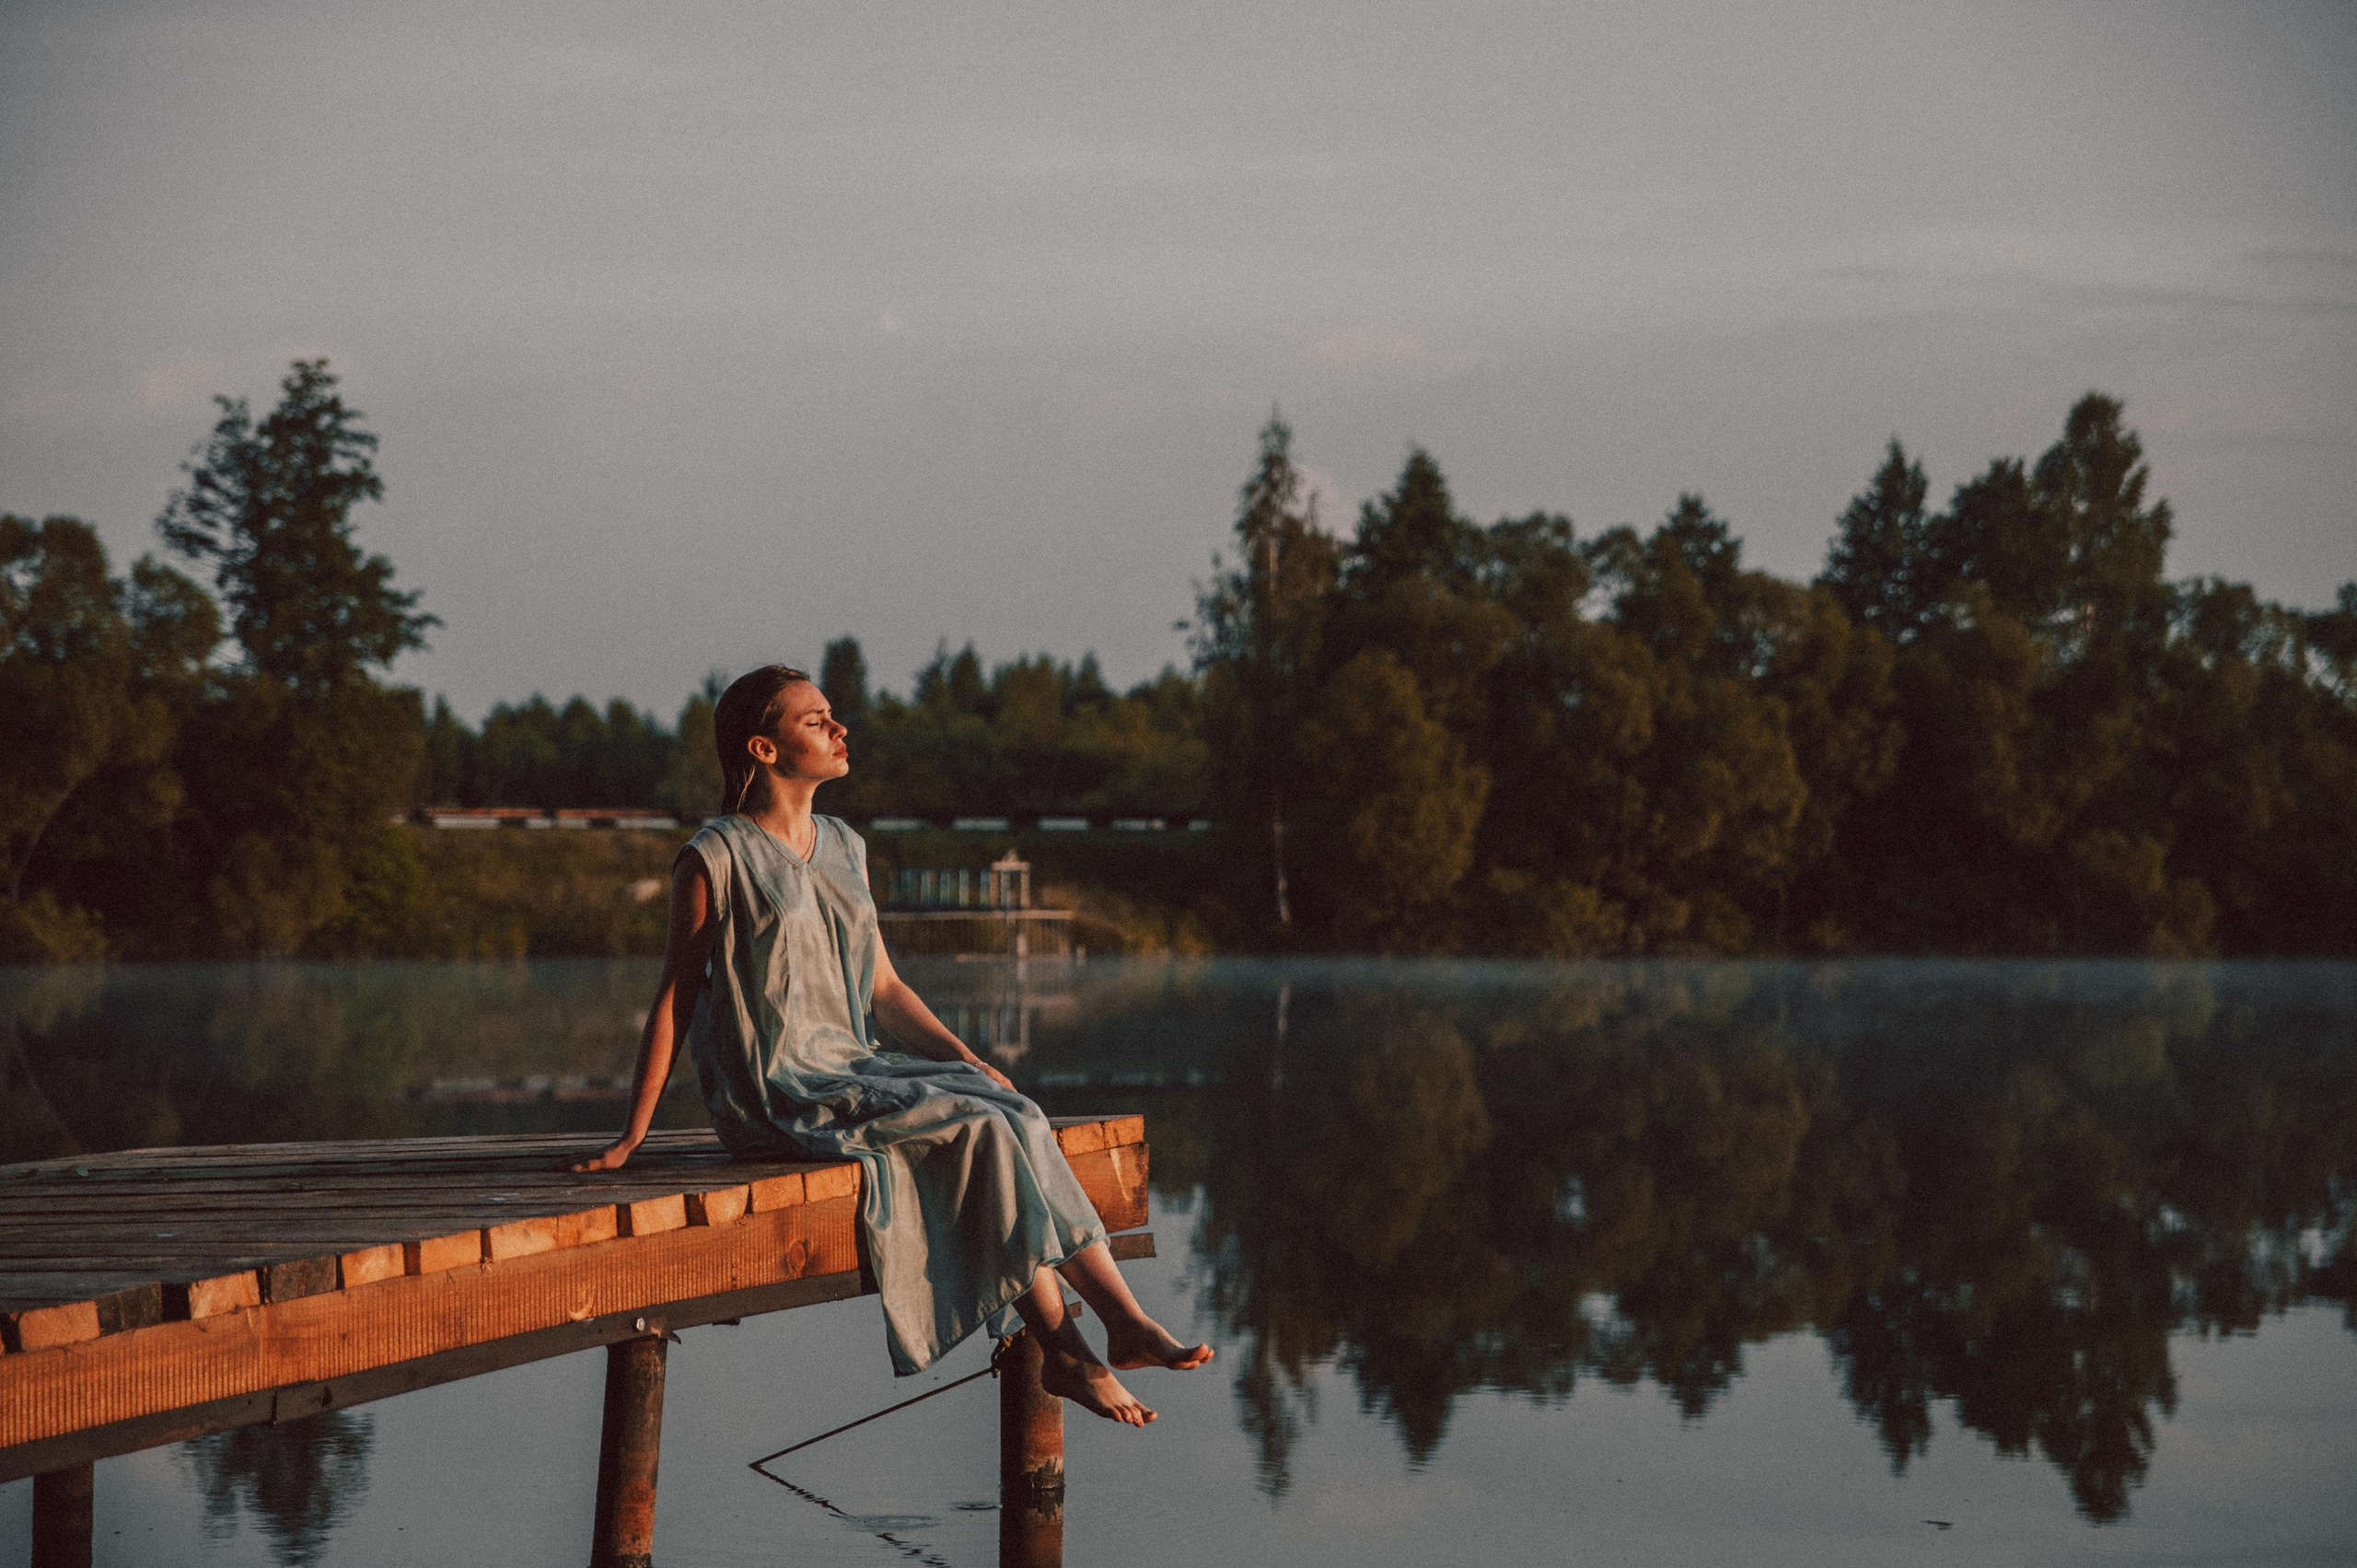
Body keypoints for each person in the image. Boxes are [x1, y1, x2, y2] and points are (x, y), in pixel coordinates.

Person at [575, 664, 1210, 1424]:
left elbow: (884, 989)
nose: (840, 730)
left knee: (1012, 1109)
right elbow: (677, 993)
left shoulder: (844, 846)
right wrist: (631, 1136)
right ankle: (1069, 1346)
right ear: (764, 749)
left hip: (857, 1072)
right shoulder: (715, 858)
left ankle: (1120, 1323)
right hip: (781, 1094)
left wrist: (964, 1058)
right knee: (975, 1128)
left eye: (833, 716)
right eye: (816, 721)